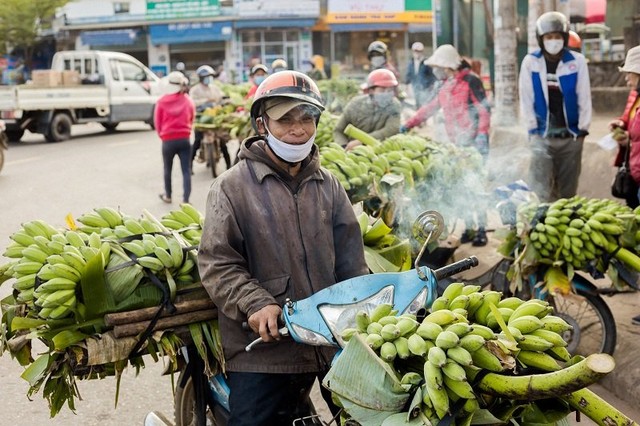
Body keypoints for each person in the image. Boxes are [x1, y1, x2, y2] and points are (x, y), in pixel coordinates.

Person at [197, 70, 369, 425]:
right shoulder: (231, 188)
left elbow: (351, 259)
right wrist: (256, 304)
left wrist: (365, 308)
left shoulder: (329, 184)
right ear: (262, 124)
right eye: (285, 119)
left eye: (307, 118)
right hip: (265, 348)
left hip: (328, 337)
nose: (298, 128)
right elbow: (218, 263)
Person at [400, 44, 491, 246]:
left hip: (475, 142)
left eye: (437, 66)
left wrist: (482, 135)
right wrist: (408, 125)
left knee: (476, 186)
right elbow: (429, 108)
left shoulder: (471, 80)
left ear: (447, 65)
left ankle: (482, 229)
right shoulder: (444, 85)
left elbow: (483, 110)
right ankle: (469, 227)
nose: (435, 71)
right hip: (456, 143)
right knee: (462, 185)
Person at [519, 11, 592, 202]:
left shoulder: (577, 62)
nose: (553, 41)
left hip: (571, 138)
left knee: (567, 191)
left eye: (557, 36)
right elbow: (526, 99)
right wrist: (532, 130)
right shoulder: (531, 62)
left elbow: (584, 96)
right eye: (549, 37)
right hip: (542, 136)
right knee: (540, 189)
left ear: (565, 38)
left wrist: (582, 130)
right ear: (541, 39)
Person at [333, 68, 401, 150]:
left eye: (390, 90)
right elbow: (338, 130)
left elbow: (391, 129)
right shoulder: (355, 105)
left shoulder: (394, 105)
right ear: (371, 91)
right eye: (382, 90)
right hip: (352, 151)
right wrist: (344, 146)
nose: (386, 94)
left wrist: (361, 142)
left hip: (380, 151)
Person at [154, 71, 195, 204]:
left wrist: (163, 135)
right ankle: (186, 200)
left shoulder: (161, 101)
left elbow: (157, 123)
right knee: (186, 170)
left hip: (168, 141)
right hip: (184, 139)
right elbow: (192, 117)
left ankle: (168, 196)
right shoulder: (188, 100)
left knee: (167, 169)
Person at [610, 46, 640, 209]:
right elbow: (631, 119)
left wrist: (630, 137)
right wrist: (621, 124)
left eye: (629, 72)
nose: (626, 78)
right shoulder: (635, 94)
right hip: (635, 171)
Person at [189, 65, 226, 169]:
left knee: (222, 141)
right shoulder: (195, 90)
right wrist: (205, 101)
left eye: (210, 76)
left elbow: (221, 97)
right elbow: (192, 102)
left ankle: (229, 165)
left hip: (214, 119)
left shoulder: (214, 88)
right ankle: (189, 165)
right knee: (197, 142)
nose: (208, 78)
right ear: (200, 78)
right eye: (206, 76)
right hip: (201, 119)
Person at [405, 41, 437, 108]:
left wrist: (430, 86)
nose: (417, 53)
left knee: (425, 106)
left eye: (419, 51)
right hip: (415, 89)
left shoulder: (427, 63)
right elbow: (408, 75)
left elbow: (432, 76)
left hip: (425, 89)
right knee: (417, 106)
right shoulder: (411, 63)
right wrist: (407, 86)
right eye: (415, 51)